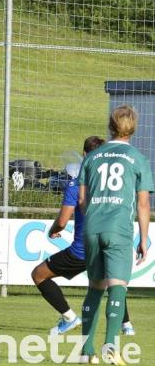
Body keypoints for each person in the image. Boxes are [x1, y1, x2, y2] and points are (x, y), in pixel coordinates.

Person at [77, 105, 152, 365]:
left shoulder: (91, 157)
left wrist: (96, 215)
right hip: (118, 228)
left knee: (95, 288)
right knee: (117, 286)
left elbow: (82, 200)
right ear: (133, 127)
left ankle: (86, 352)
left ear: (111, 125)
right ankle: (111, 345)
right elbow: (143, 204)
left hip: (92, 227)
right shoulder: (139, 159)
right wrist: (144, 238)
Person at [38, 136, 134, 336]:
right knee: (113, 281)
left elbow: (63, 221)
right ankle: (127, 326)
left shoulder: (77, 182)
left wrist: (54, 230)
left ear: (84, 154)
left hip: (82, 250)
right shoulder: (111, 183)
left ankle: (69, 318)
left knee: (38, 274)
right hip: (109, 242)